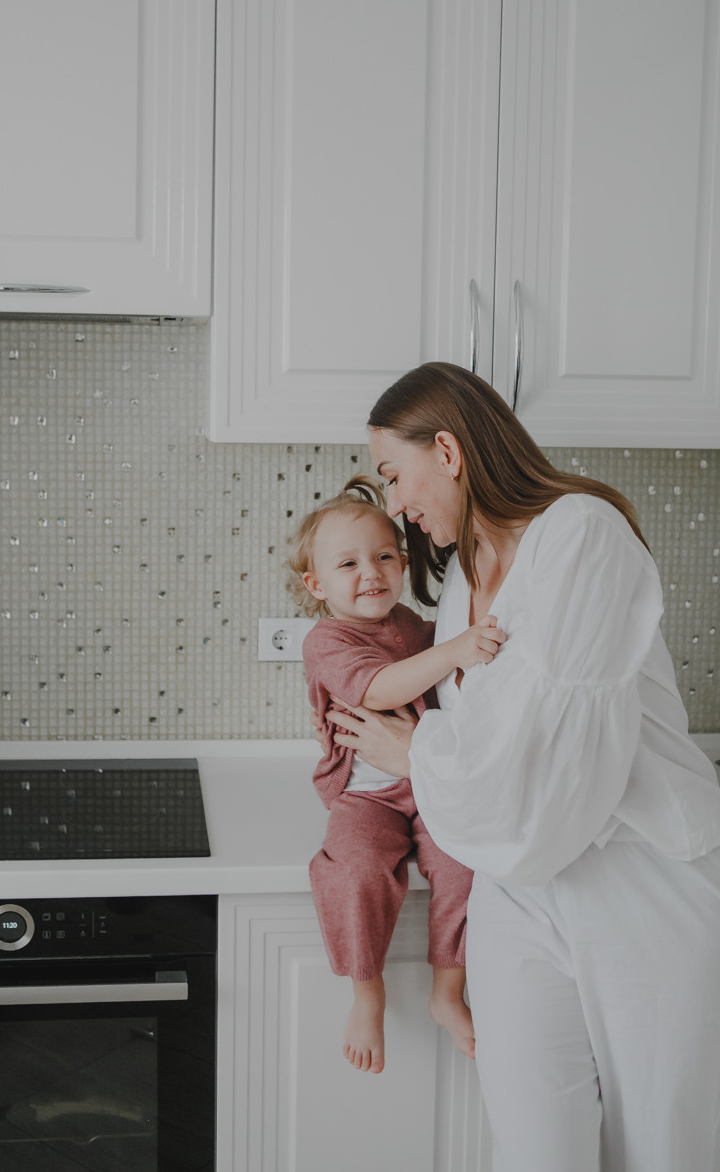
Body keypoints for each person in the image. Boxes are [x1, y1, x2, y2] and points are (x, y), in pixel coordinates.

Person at [323, 362, 720, 1172]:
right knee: (534, 1147)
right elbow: (497, 761)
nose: (393, 505)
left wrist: (414, 752)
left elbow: (543, 771)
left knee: (662, 1146)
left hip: (637, 879)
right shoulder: (465, 573)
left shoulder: (581, 534)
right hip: (513, 885)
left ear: (447, 449)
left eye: (394, 475)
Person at [286, 475, 505, 1072]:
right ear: (317, 584)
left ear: (404, 563)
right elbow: (377, 688)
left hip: (428, 782)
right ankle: (366, 988)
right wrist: (457, 648)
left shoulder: (411, 626)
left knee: (465, 867)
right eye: (349, 563)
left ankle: (446, 990)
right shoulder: (326, 639)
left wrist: (457, 647)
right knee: (353, 871)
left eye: (385, 556)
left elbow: (448, 677)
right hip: (366, 798)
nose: (371, 572)